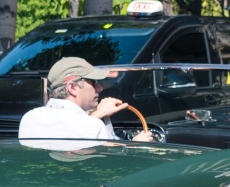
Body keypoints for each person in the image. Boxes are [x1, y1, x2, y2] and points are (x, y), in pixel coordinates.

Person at [18, 57, 153, 148]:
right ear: (72, 88)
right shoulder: (92, 126)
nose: (100, 88)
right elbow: (114, 164)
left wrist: (98, 114)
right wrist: (135, 145)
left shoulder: (29, 118)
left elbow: (69, 129)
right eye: (94, 82)